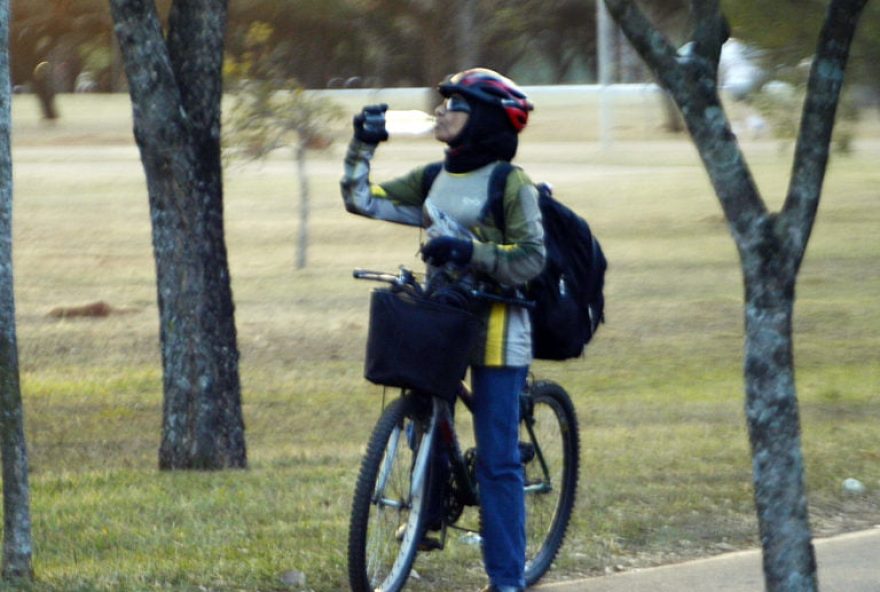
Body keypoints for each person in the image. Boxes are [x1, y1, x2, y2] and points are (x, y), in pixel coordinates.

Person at [340, 68, 545, 592]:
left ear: (484, 121)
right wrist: (362, 144)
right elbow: (362, 199)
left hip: (499, 328)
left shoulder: (509, 183)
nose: (443, 110)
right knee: (421, 422)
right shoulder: (433, 177)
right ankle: (427, 517)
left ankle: (506, 582)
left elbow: (531, 259)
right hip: (444, 317)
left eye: (457, 104)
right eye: (444, 101)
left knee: (498, 461)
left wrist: (468, 250)